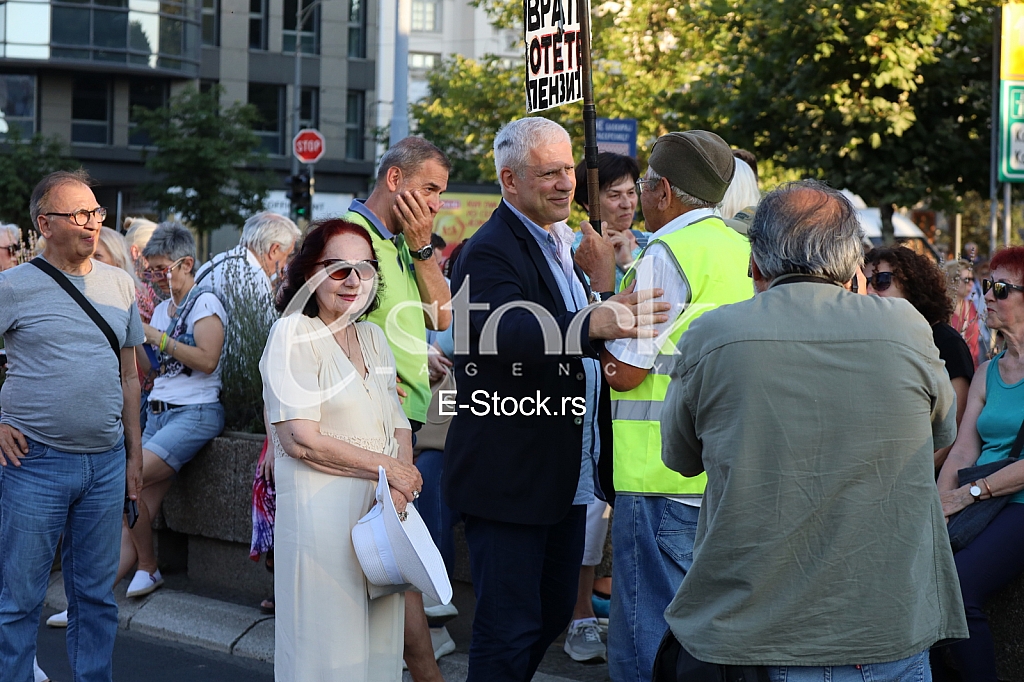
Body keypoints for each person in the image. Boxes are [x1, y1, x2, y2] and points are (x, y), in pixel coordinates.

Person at [658, 180, 966, 681]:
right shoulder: (907, 327)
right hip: (888, 624)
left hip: (752, 631)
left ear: (755, 264)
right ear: (852, 265)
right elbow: (940, 432)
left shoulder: (713, 335)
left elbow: (680, 457)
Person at [444, 116, 669, 682]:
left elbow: (585, 333)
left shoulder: (569, 243)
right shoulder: (489, 248)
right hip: (511, 479)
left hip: (568, 477)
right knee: (508, 630)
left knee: (544, 621)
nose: (566, 183)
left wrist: (599, 292)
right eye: (549, 173)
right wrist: (595, 317)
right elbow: (502, 335)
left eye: (568, 169)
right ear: (509, 180)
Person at [599, 131, 752, 682]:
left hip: (657, 475)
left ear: (663, 189)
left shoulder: (664, 253)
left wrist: (597, 317)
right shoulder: (743, 249)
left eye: (642, 184)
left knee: (646, 636)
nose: (639, 194)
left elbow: (626, 372)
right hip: (721, 472)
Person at [260, 218, 424, 682]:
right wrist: (391, 470)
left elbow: (400, 426)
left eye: (366, 269)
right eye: (338, 268)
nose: (354, 280)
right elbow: (300, 438)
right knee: (327, 657)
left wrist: (400, 489)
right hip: (322, 525)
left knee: (379, 658)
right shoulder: (294, 333)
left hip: (379, 521)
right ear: (310, 272)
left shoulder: (374, 337)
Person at [0, 170, 144, 682]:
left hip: (106, 464)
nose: (92, 223)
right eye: (79, 214)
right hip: (33, 462)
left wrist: (134, 456)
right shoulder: (12, 286)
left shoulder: (121, 283)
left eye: (97, 213)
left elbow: (130, 376)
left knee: (96, 600)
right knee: (19, 600)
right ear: (45, 223)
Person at [343, 136, 453, 679]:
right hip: (366, 424)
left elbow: (441, 316)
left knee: (394, 558)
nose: (435, 203)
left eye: (440, 193)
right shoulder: (351, 238)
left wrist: (416, 355)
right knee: (393, 557)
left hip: (401, 417)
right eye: (429, 189)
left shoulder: (407, 242)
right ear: (394, 180)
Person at [116, 223, 226, 598]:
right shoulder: (164, 308)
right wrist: (131, 335)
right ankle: (89, 597)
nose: (158, 278)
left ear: (186, 264)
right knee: (133, 503)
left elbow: (208, 360)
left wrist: (157, 336)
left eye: (163, 269)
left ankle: (148, 567)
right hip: (161, 413)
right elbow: (154, 369)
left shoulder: (205, 301)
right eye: (152, 271)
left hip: (194, 412)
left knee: (124, 482)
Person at [935, 246, 1024, 682]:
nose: (987, 295)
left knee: (959, 590)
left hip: (1017, 504)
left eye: (1001, 288)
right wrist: (936, 505)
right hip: (975, 500)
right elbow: (964, 450)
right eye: (988, 286)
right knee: (923, 576)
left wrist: (967, 494)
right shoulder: (988, 371)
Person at [865, 246, 974, 468]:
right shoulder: (872, 340)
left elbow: (952, 432)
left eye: (881, 280)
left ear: (911, 283)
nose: (870, 290)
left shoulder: (946, 342)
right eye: (864, 282)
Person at [572, 151, 646, 292]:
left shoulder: (652, 243)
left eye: (631, 193)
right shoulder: (574, 250)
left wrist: (627, 265)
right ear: (588, 202)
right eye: (614, 195)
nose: (627, 204)